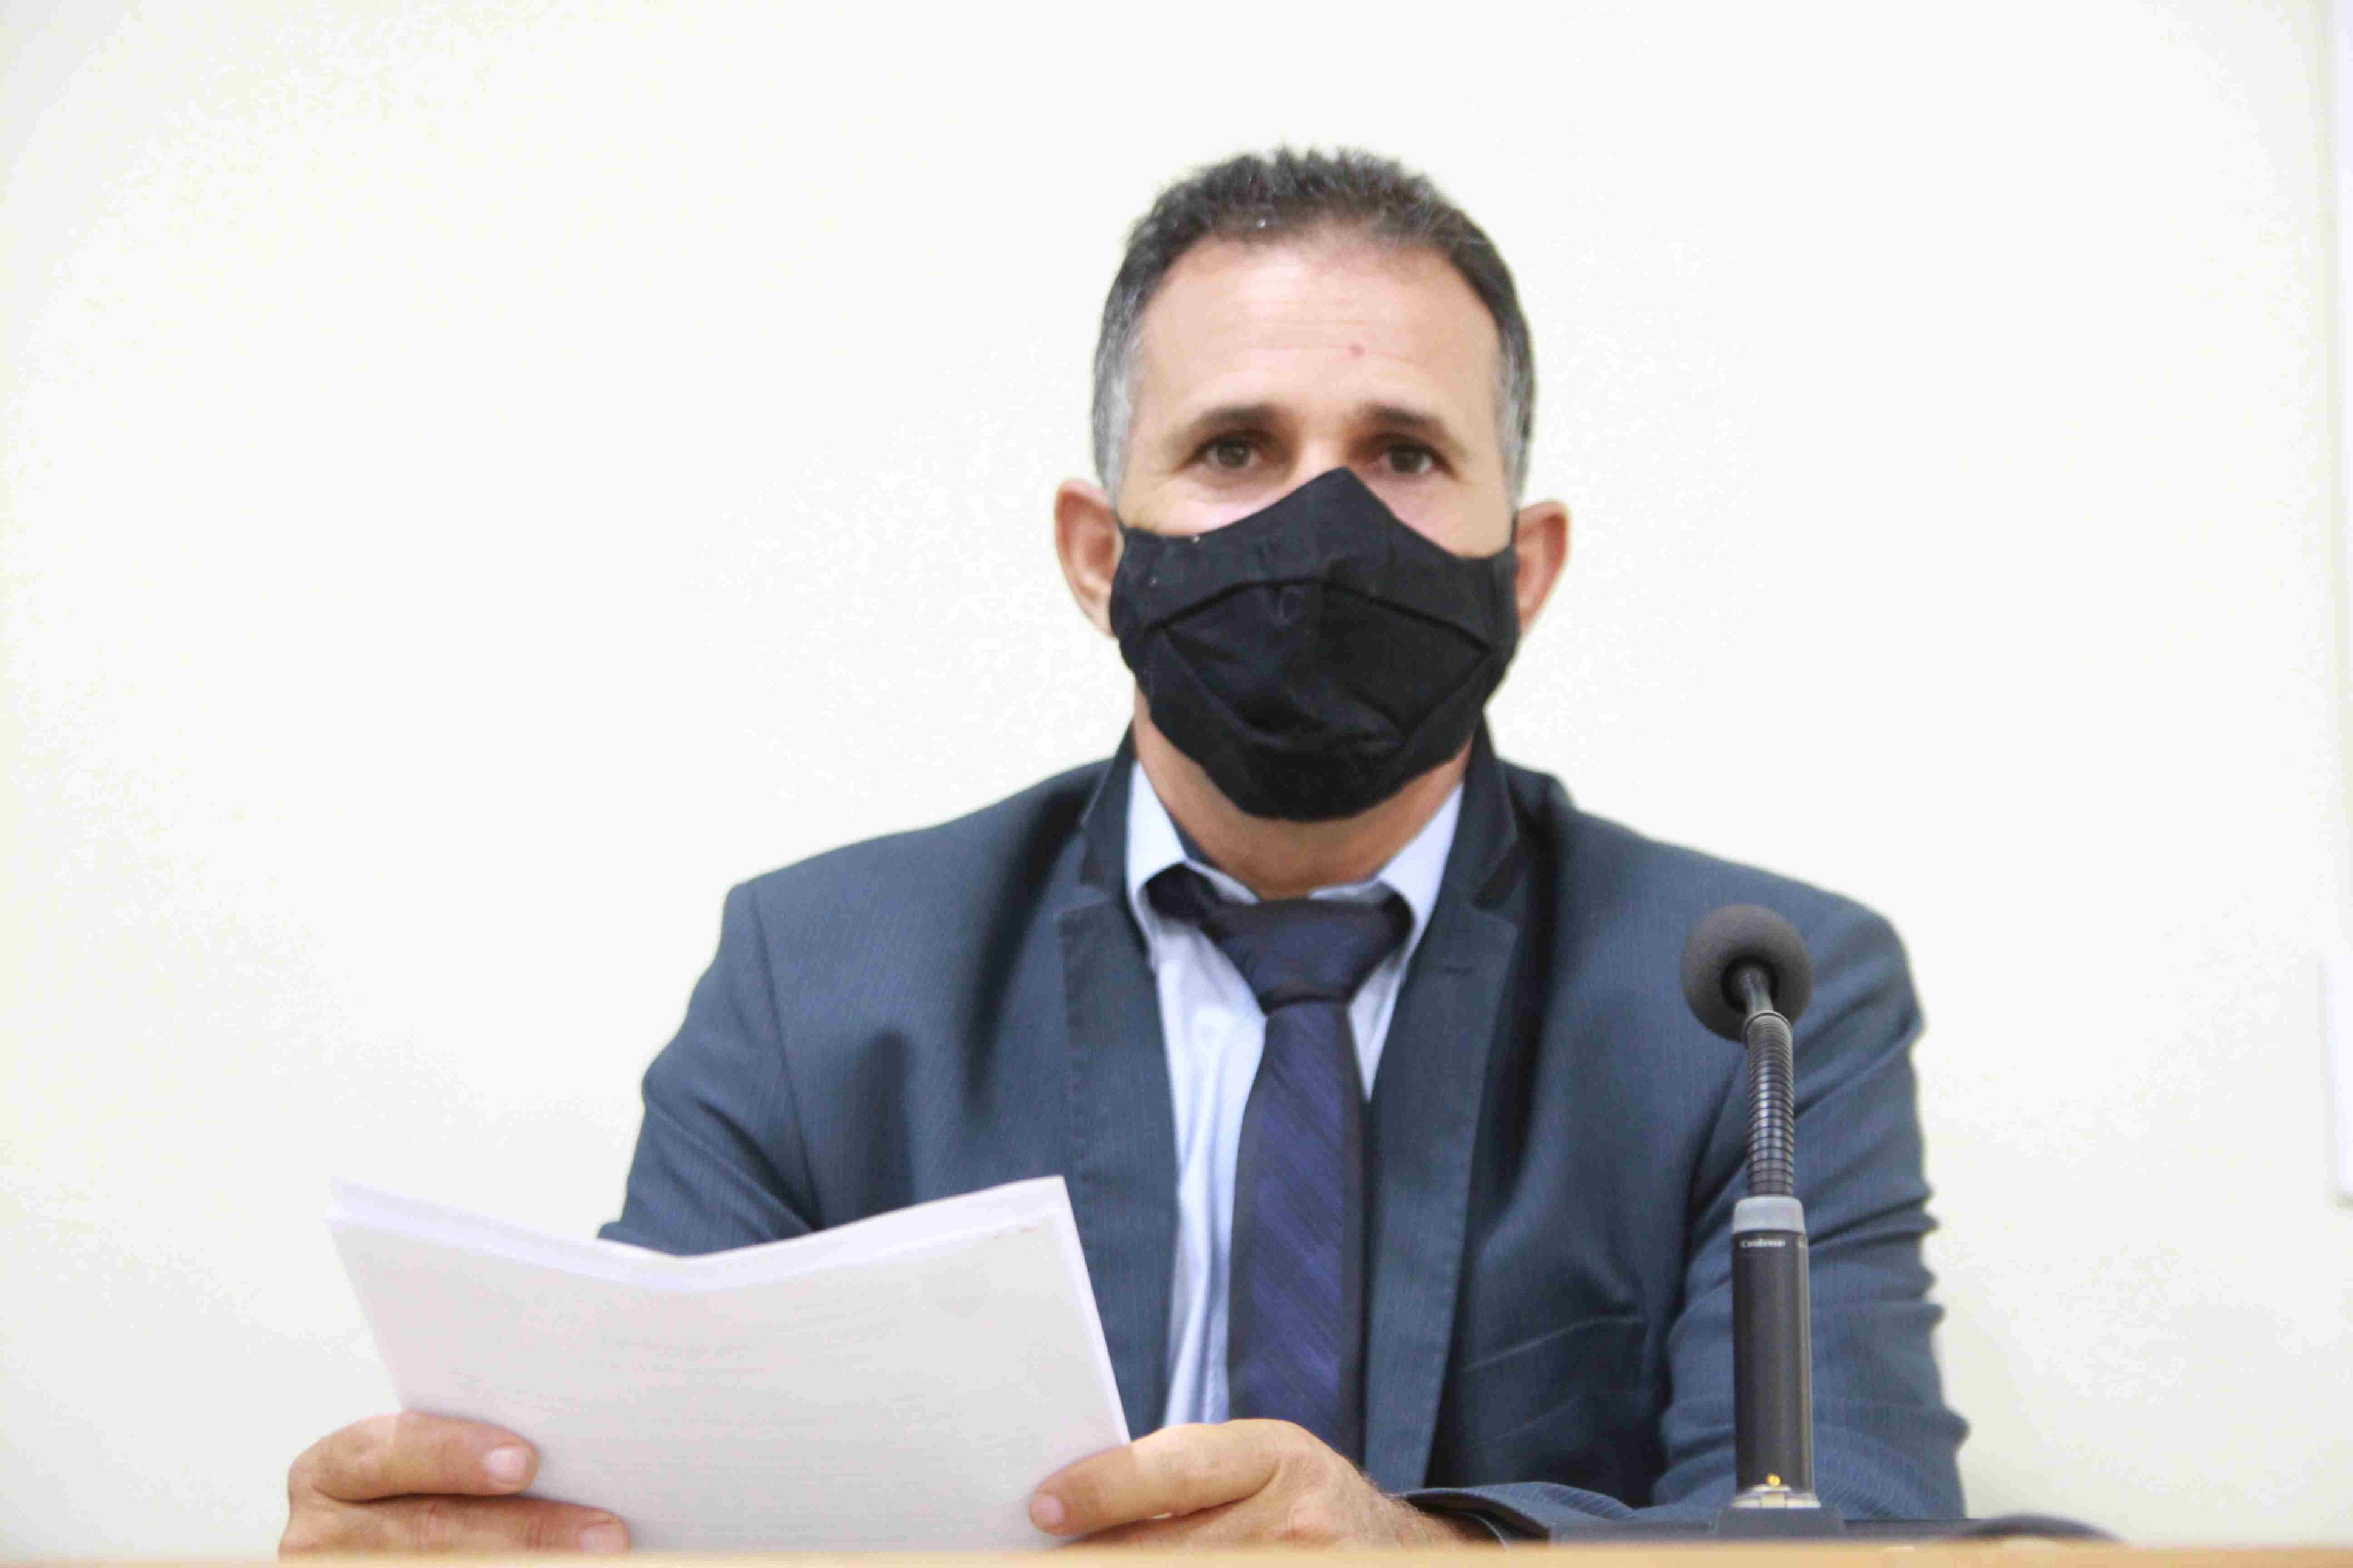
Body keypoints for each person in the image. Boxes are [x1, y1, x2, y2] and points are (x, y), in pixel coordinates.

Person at [280, 148, 1967, 1553]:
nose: (1322, 526)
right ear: (1099, 555)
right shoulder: (826, 979)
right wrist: (491, 1532)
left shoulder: (1748, 1003)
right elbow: (651, 1503)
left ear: (1524, 568)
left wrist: (1435, 1555)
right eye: (1236, 450)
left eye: (1402, 454)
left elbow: (1862, 1530)